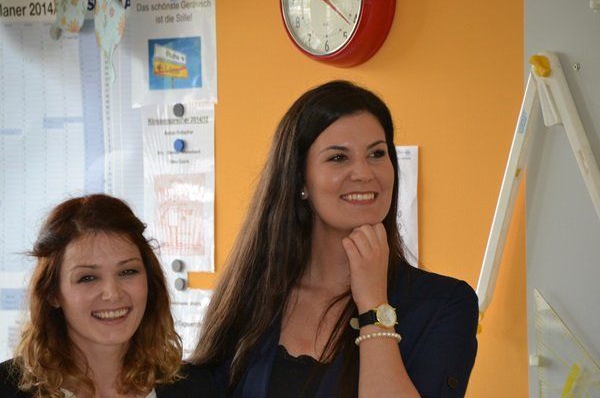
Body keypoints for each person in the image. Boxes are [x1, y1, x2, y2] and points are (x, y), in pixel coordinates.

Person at [192, 80, 479, 397]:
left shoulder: (444, 304)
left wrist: (374, 305)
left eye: (377, 153)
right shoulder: (253, 294)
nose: (364, 173)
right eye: (339, 158)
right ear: (301, 179)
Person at [0, 194, 216, 398]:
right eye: (88, 278)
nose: (112, 294)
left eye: (127, 272)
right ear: (52, 293)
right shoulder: (5, 388)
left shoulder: (198, 388)